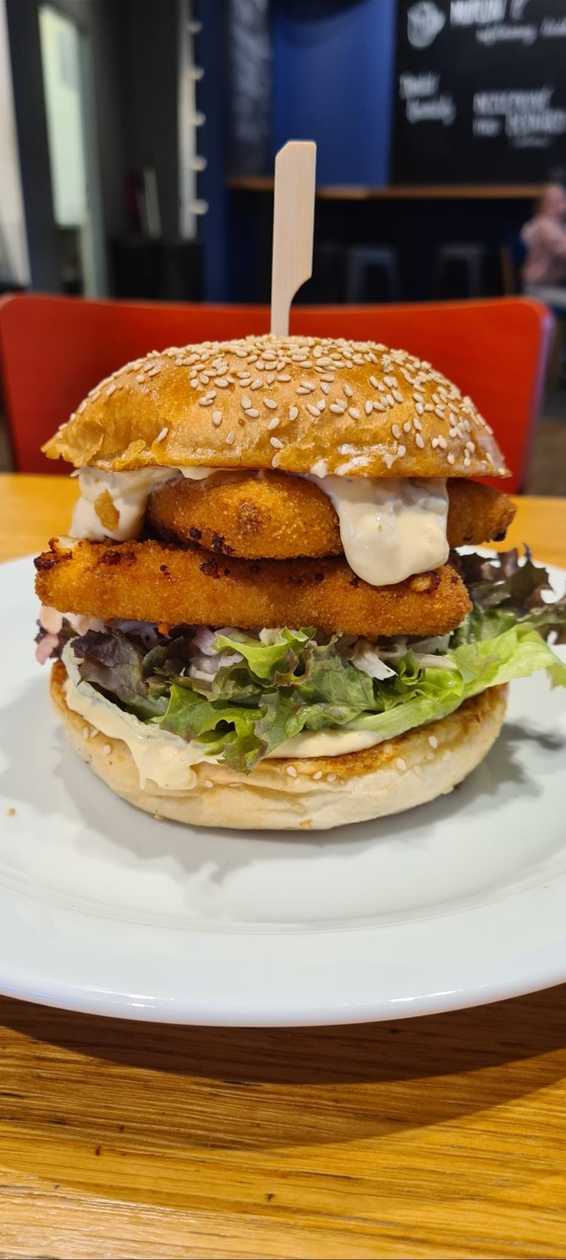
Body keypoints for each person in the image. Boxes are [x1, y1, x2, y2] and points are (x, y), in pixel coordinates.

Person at [521, 184, 566, 305]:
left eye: (562, 200)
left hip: (555, 287)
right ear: (543, 204)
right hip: (541, 289)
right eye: (555, 202)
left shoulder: (558, 225)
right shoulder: (544, 225)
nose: (562, 205)